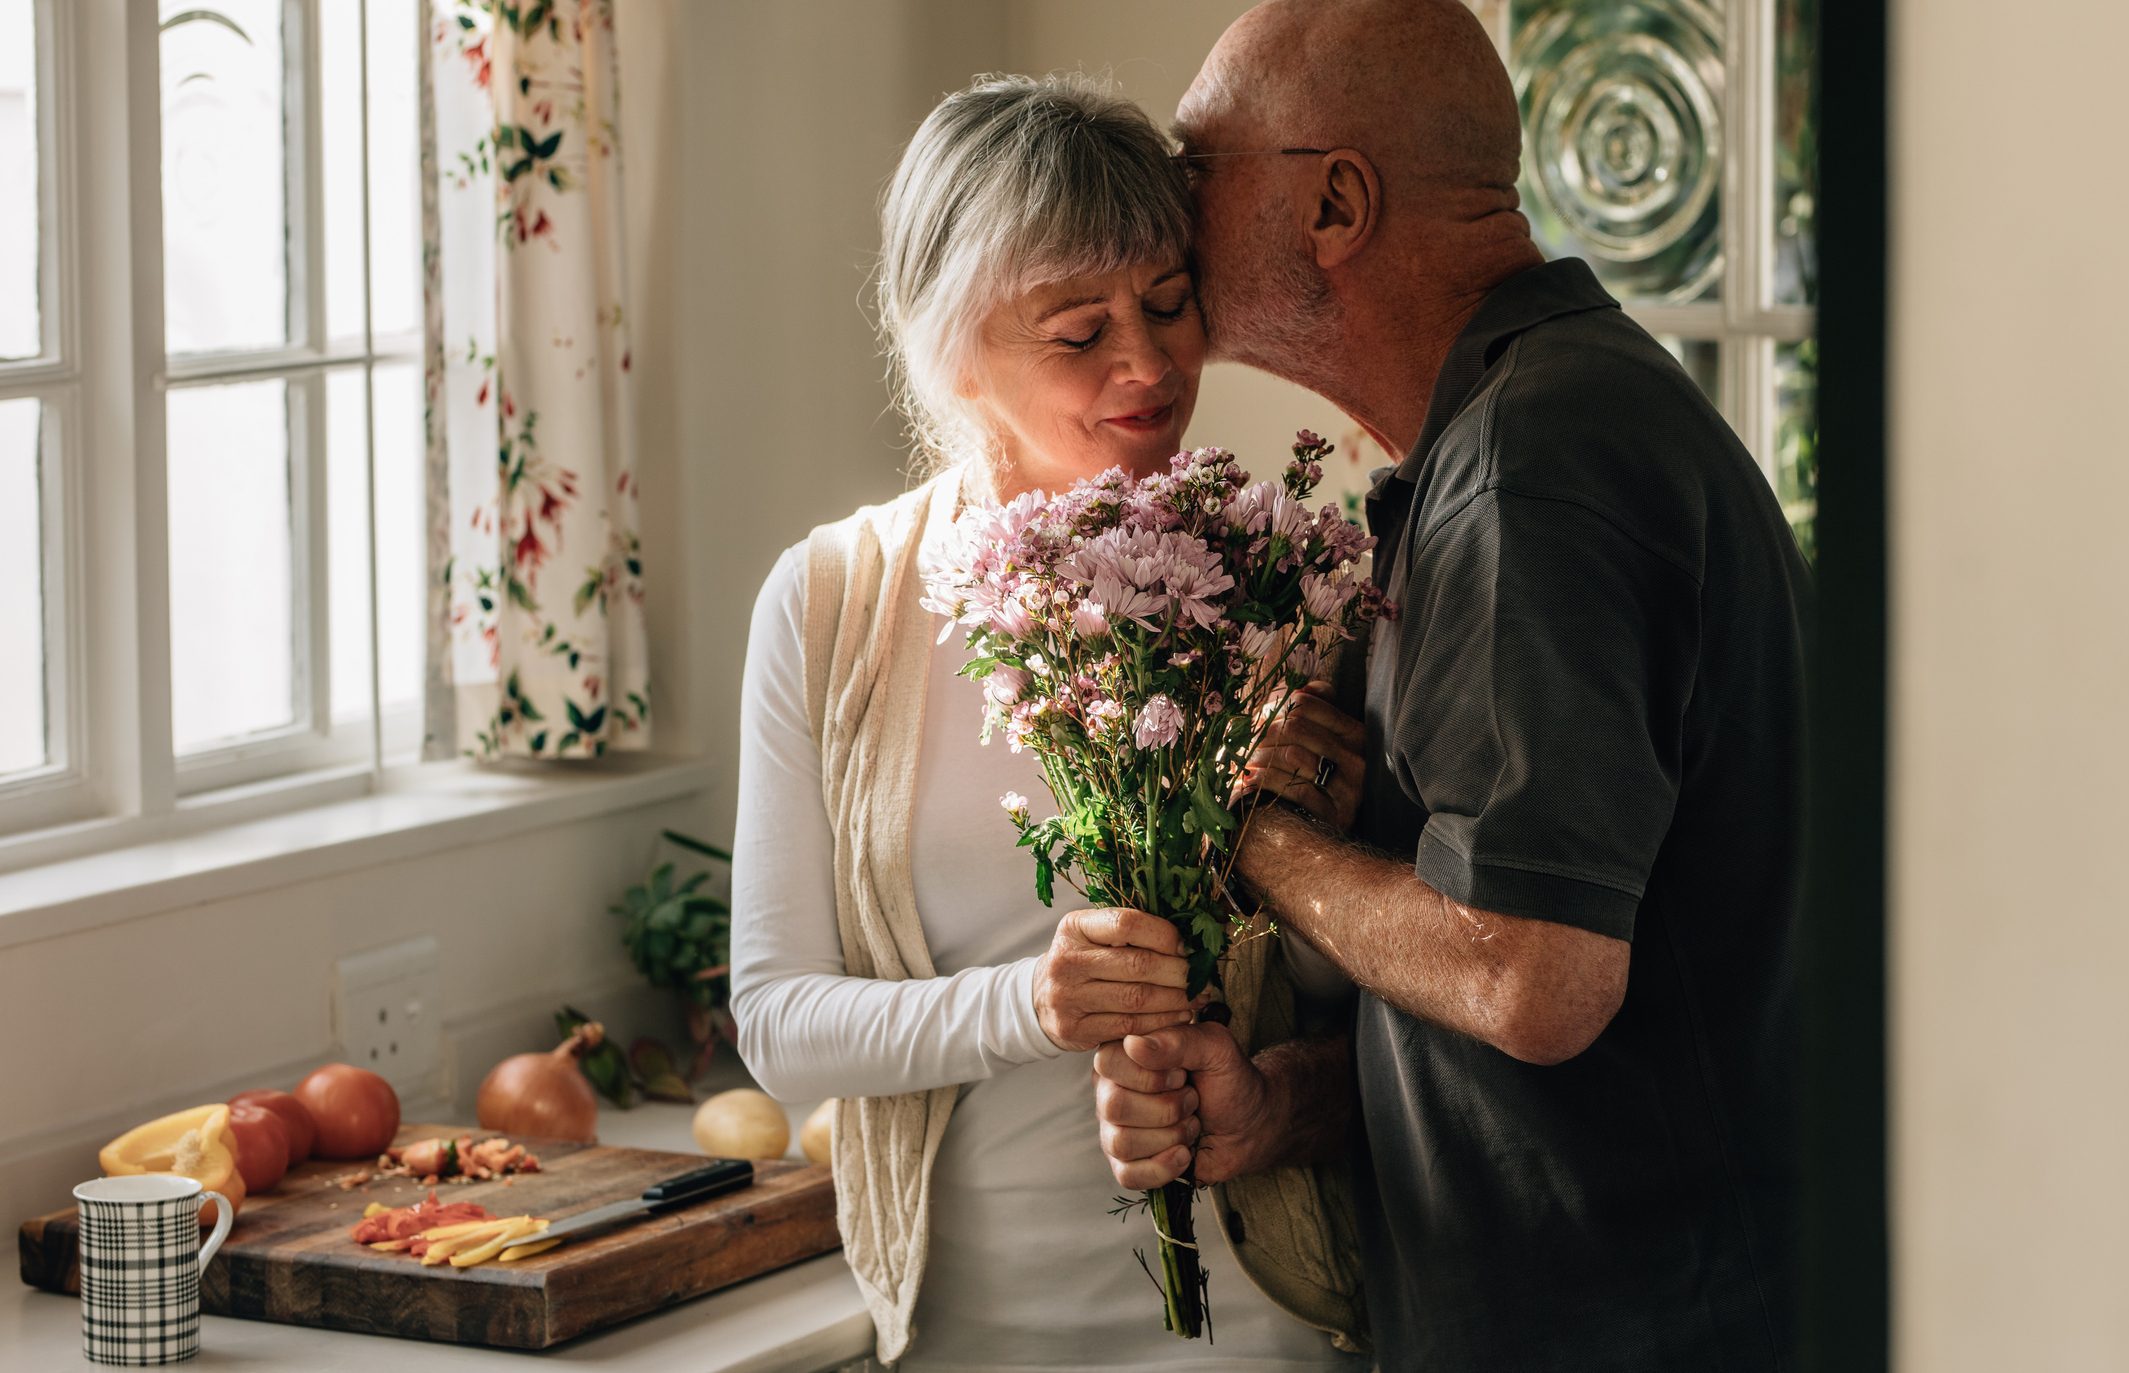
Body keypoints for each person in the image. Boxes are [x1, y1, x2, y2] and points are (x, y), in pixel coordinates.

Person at [1092, 2, 1811, 1369]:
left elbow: (1534, 977)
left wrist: (1249, 836)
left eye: (1199, 168)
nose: (1168, 210)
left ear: (1335, 201)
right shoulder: (1519, 437)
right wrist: (1279, 1110)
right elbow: (1546, 1014)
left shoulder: (1533, 468)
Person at [729, 74, 1367, 1370]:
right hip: (972, 1330)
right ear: (952, 352)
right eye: (1079, 330)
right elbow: (782, 1025)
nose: (1149, 363)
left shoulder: (1286, 591)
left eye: (1171, 302)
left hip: (1267, 1324)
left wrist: (1310, 840)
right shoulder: (836, 604)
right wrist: (1035, 1001)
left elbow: (1388, 1028)